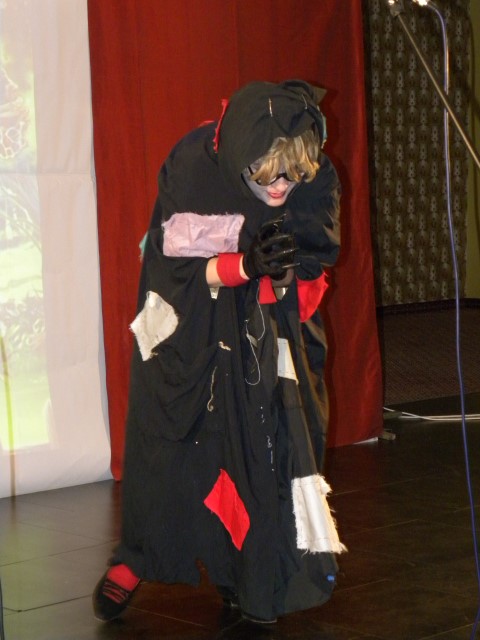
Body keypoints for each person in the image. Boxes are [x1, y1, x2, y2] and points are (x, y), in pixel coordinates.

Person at [93, 79, 345, 625]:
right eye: (267, 174)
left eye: (293, 174)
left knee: (263, 447)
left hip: (266, 333)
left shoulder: (316, 178)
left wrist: (277, 271)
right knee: (169, 442)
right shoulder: (193, 168)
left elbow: (310, 271)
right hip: (191, 329)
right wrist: (243, 264)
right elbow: (173, 269)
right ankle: (137, 555)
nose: (281, 186)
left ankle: (249, 572)